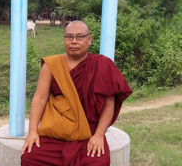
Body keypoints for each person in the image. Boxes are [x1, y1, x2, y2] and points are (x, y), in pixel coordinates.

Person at [21, 20, 132, 166]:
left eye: (80, 37)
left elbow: (109, 104)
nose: (74, 41)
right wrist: (33, 132)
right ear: (64, 39)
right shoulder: (51, 65)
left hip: (89, 131)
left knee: (98, 161)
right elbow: (40, 98)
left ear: (89, 40)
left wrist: (99, 135)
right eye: (69, 37)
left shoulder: (101, 65)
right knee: (31, 157)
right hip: (56, 131)